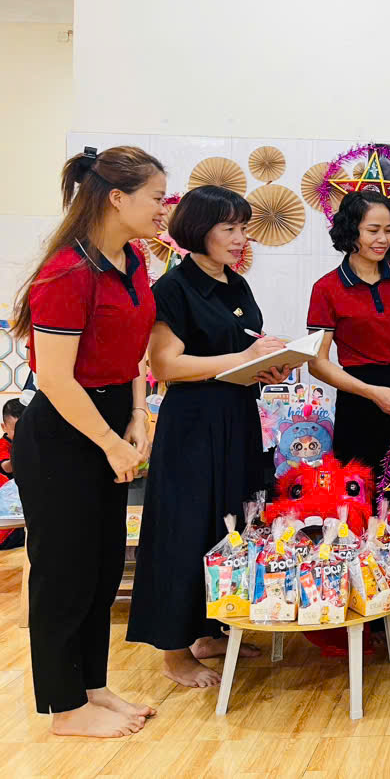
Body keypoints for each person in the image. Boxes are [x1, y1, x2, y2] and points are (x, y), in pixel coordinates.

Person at [9, 145, 165, 737]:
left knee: (101, 568)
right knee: (63, 573)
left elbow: (133, 348)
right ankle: (64, 708)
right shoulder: (66, 273)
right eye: (156, 197)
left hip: (111, 418)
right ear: (117, 198)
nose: (163, 208)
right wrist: (108, 441)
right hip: (63, 432)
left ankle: (92, 687)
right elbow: (54, 379)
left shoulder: (133, 259)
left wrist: (137, 415)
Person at [126, 186, 290, 688]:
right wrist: (241, 359)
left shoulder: (235, 284)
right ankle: (174, 653)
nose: (241, 238)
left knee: (229, 524)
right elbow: (165, 366)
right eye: (229, 228)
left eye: (244, 228)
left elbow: (241, 349)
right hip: (193, 425)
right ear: (199, 230)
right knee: (186, 529)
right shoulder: (174, 288)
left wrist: (267, 365)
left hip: (237, 416)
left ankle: (207, 630)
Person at [307, 191, 390, 468]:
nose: (383, 239)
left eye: (388, 231)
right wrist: (371, 392)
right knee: (360, 484)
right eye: (373, 230)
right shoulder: (326, 288)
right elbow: (317, 364)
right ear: (350, 231)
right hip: (359, 397)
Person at [0, 398, 27, 549]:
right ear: (4, 427)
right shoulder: (3, 445)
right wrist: (20, 452)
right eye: (16, 430)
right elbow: (7, 467)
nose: (21, 435)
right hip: (7, 516)